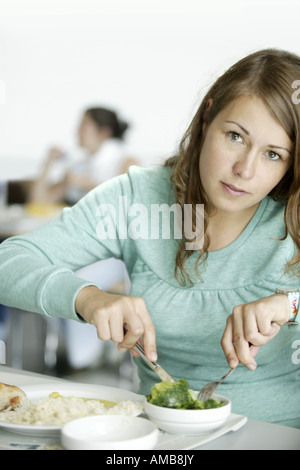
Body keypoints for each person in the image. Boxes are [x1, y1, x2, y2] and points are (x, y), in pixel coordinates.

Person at [0, 48, 299, 428]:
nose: (245, 169)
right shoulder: (136, 199)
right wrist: (88, 298)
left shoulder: (293, 211)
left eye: (274, 154)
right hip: (160, 439)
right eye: (235, 136)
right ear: (208, 116)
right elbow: (8, 261)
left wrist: (289, 305)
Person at [29, 107, 136, 205]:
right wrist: (48, 162)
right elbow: (39, 202)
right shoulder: (80, 166)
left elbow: (128, 202)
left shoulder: (127, 162)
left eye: (83, 126)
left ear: (104, 132)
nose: (77, 132)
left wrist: (87, 184)